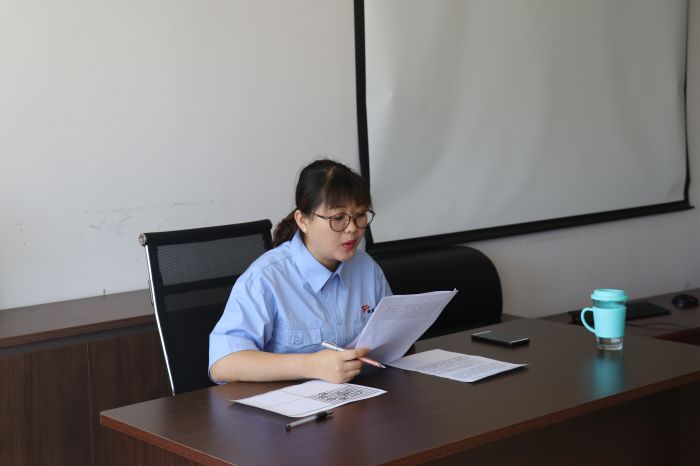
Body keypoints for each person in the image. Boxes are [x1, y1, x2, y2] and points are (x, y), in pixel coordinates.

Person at [209, 159, 392, 384]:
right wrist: (311, 365)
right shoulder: (265, 278)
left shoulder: (366, 268)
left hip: (360, 396)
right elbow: (223, 364)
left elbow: (391, 335)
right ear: (303, 221)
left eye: (360, 215)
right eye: (338, 218)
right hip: (287, 402)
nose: (353, 228)